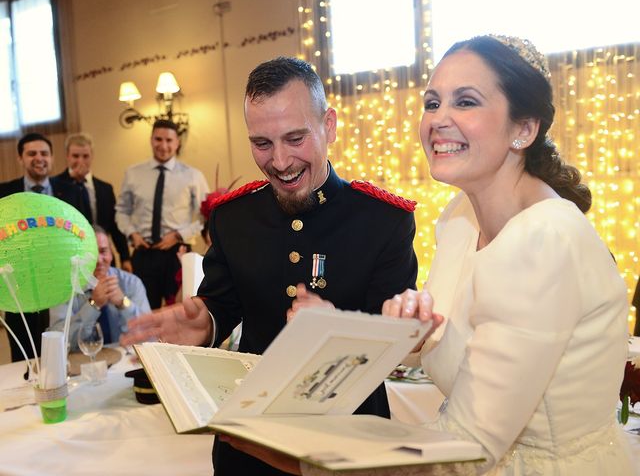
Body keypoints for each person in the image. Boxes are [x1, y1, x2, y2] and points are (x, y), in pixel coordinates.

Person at [218, 35, 635, 476]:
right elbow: (446, 346)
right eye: (433, 103)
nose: (439, 120)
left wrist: (310, 463)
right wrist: (398, 332)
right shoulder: (461, 220)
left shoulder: (544, 239)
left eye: (467, 102)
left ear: (524, 128)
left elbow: (466, 452)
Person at [120, 57, 419, 476]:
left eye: (295, 138)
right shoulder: (232, 217)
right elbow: (222, 304)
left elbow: (395, 344)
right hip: (249, 445)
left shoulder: (383, 221)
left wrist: (340, 332)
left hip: (347, 444)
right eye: (262, 143)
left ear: (328, 126)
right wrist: (203, 322)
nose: (279, 161)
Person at [0, 133, 84, 361]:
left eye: (44, 153)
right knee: (23, 358)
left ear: (52, 157)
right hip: (19, 289)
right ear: (20, 158)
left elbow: (84, 235)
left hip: (60, 287)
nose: (39, 158)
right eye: (31, 153)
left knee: (60, 353)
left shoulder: (72, 191)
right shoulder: (4, 193)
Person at [115, 119, 209, 309]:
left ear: (177, 143)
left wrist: (178, 235)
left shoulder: (193, 175)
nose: (163, 145)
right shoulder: (133, 173)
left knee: (182, 310)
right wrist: (132, 233)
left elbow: (204, 216)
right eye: (158, 139)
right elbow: (122, 211)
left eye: (169, 140)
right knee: (143, 311)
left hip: (177, 253)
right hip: (143, 252)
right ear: (151, 140)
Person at [49, 225, 150, 350]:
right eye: (90, 253)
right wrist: (93, 305)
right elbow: (57, 342)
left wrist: (123, 303)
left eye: (103, 251)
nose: (98, 260)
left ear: (111, 254)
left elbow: (149, 335)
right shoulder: (64, 289)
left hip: (125, 362)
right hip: (81, 363)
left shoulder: (132, 283)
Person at [56, 132, 132, 271]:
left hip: (103, 257)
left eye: (85, 156)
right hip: (71, 261)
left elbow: (115, 226)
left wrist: (125, 257)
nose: (80, 161)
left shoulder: (105, 188)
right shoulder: (56, 186)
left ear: (92, 157)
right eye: (75, 156)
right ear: (67, 156)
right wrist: (73, 183)